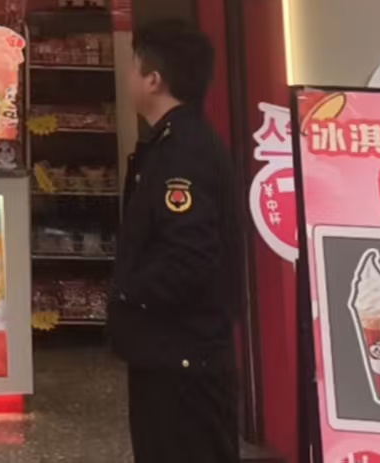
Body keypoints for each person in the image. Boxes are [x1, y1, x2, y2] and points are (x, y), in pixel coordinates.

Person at [109, 24, 242, 463]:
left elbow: (189, 256)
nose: (129, 79)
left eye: (134, 68)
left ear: (154, 80)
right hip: (171, 352)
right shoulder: (173, 142)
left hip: (183, 358)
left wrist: (130, 295)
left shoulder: (182, 152)